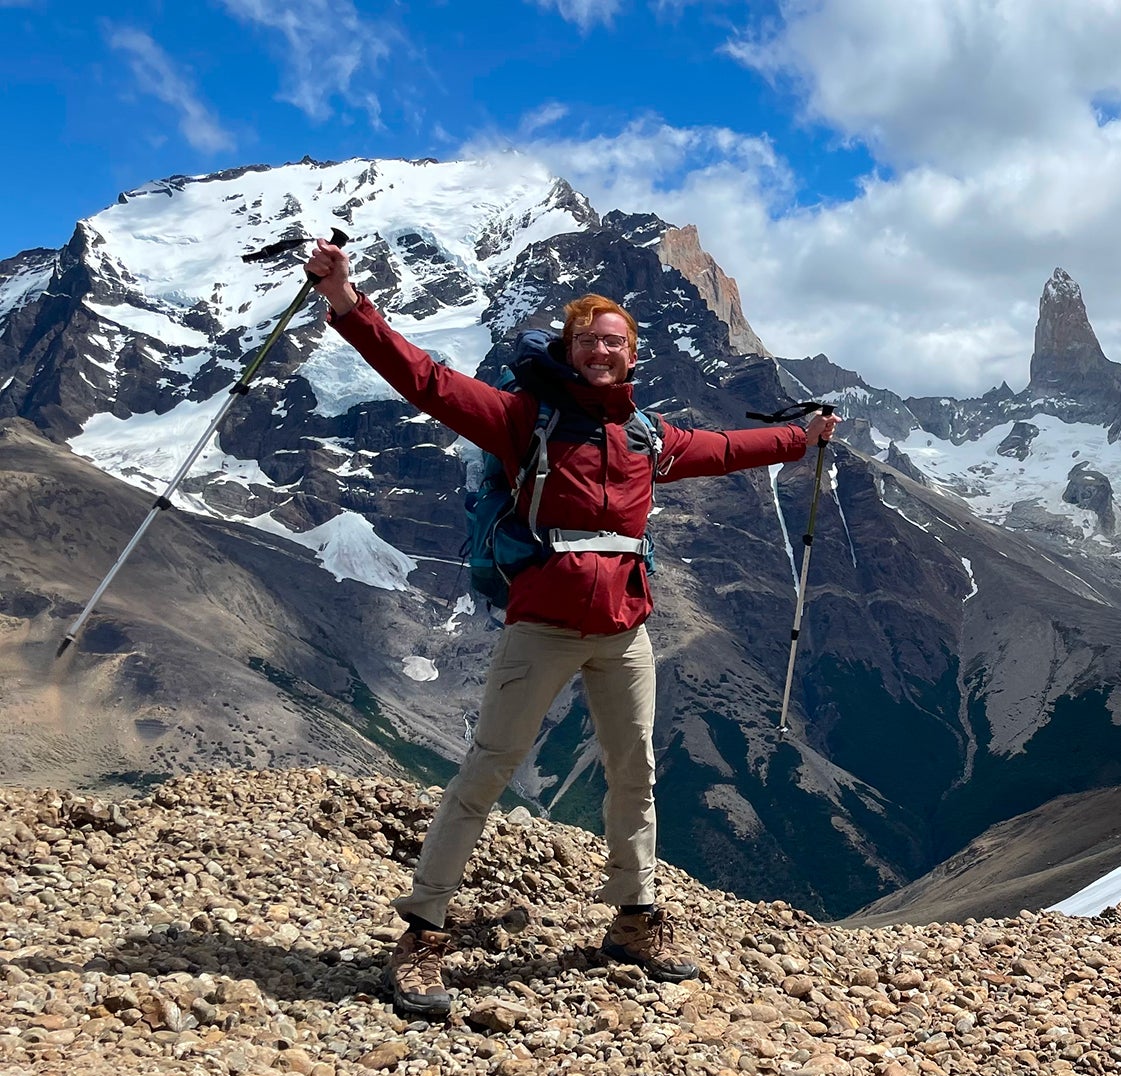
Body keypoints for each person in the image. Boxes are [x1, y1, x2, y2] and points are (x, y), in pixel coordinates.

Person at [306, 238, 836, 1017]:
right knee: (486, 771)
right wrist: (349, 304)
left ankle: (633, 920)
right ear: (568, 349)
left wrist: (803, 438)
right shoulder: (525, 419)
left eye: (612, 343)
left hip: (626, 628)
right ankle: (421, 932)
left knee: (636, 774)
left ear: (630, 357)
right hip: (543, 627)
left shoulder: (646, 436)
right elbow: (426, 381)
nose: (599, 352)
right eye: (587, 341)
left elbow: (726, 449)